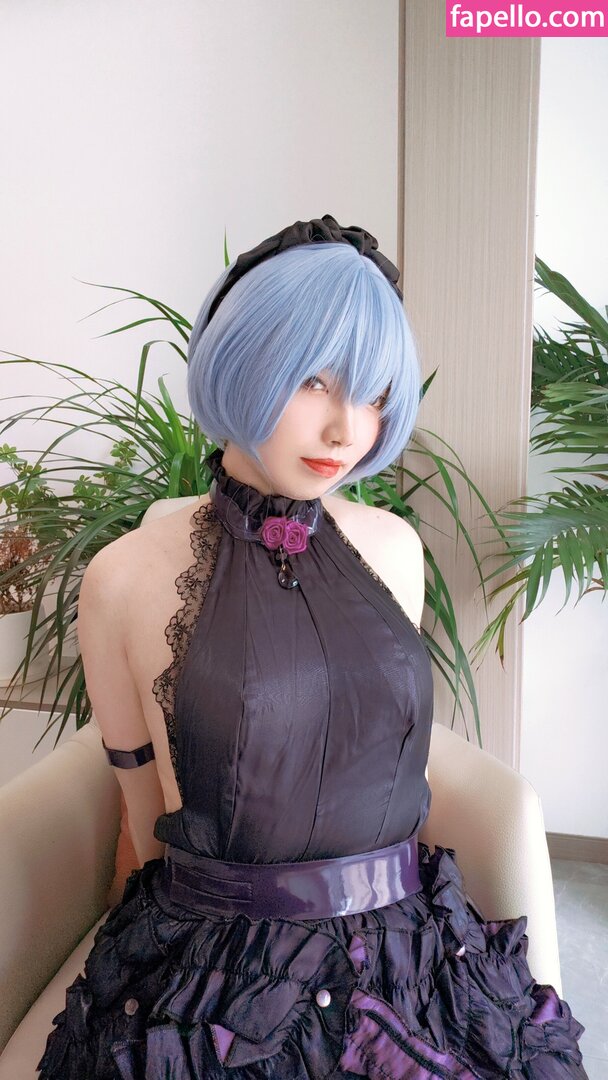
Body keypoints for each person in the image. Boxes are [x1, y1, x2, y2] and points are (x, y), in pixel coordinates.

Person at [37, 215, 587, 1078]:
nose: (345, 431)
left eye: (371, 395)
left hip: (408, 952)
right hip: (225, 970)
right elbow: (145, 816)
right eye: (314, 382)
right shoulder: (123, 579)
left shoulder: (395, 549)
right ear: (242, 358)